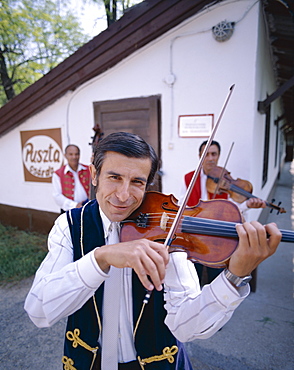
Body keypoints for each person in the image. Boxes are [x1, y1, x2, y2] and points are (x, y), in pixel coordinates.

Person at [24, 132, 281, 370]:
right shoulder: (70, 226)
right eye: (114, 177)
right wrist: (99, 259)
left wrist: (234, 277)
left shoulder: (165, 233)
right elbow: (38, 310)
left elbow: (186, 327)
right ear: (94, 175)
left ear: (148, 184)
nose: (124, 195)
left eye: (137, 182)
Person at [178, 140, 266, 285]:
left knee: (217, 275)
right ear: (200, 156)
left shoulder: (224, 180)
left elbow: (232, 210)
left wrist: (247, 205)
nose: (211, 158)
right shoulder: (189, 178)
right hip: (195, 234)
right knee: (193, 274)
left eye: (214, 154)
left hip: (216, 236)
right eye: (206, 154)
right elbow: (182, 205)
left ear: (219, 156)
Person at [52, 144, 91, 213]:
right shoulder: (58, 174)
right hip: (69, 210)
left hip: (88, 209)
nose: (74, 157)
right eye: (71, 154)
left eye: (76, 154)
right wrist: (75, 205)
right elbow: (57, 196)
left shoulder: (88, 169)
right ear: (65, 155)